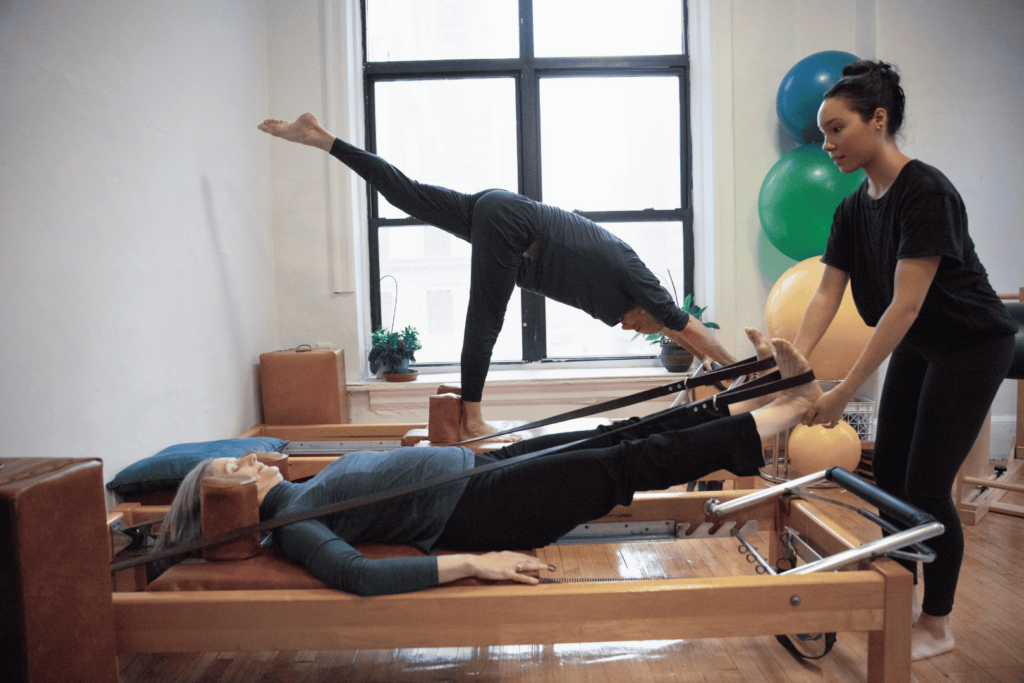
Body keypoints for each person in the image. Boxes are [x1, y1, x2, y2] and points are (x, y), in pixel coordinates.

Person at [156, 331, 818, 597]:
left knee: (623, 433)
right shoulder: (299, 520)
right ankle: (790, 413)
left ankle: (770, 398)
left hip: (480, 473)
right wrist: (478, 561)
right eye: (230, 473)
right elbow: (354, 574)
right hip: (483, 510)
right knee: (631, 461)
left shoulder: (304, 487)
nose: (244, 460)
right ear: (223, 508)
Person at [257, 113, 736, 441]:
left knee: (407, 196)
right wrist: (738, 369)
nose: (632, 329)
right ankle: (474, 417)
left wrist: (713, 374)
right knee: (485, 317)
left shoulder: (629, 292)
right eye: (642, 326)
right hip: (513, 228)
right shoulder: (640, 278)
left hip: (500, 210)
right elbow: (682, 323)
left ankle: (322, 138)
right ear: (649, 306)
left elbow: (678, 330)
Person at [792, 60, 1017, 661]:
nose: (827, 143)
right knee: (888, 479)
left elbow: (904, 306)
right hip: (923, 344)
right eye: (822, 132)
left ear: (879, 119)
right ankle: (900, 602)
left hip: (971, 342)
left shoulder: (926, 191)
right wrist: (795, 364)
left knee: (925, 485)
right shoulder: (852, 209)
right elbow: (825, 292)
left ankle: (937, 624)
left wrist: (843, 391)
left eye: (837, 129)